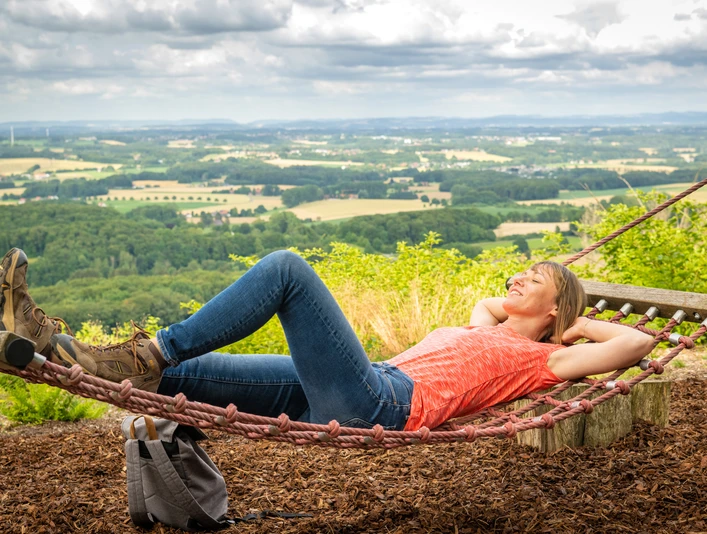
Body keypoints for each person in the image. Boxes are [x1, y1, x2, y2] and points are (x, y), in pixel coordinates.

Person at [0, 247, 654, 432]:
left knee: (286, 269)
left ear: (557, 309)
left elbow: (634, 345)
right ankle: (65, 348)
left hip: (380, 403)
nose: (514, 277)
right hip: (349, 383)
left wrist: (573, 322)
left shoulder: (552, 357)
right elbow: (487, 302)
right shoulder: (482, 323)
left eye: (533, 278)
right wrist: (533, 300)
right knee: (177, 381)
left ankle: (148, 350)